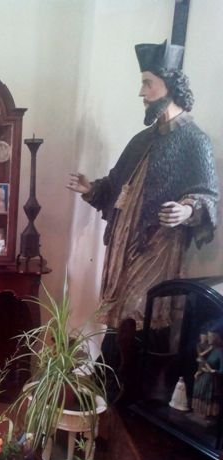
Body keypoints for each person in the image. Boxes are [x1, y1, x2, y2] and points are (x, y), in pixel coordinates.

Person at [67, 40, 219, 333]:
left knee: (142, 317)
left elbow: (208, 196)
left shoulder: (194, 140)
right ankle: (114, 358)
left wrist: (187, 210)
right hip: (122, 245)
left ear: (169, 86)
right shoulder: (141, 140)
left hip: (156, 245)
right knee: (117, 322)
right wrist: (91, 189)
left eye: (148, 84)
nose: (141, 92)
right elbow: (115, 185)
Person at [192, 326, 223, 419]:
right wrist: (200, 371)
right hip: (203, 379)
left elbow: (221, 370)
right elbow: (202, 360)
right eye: (208, 336)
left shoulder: (220, 352)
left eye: (210, 336)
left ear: (216, 337)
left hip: (211, 383)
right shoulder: (211, 349)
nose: (207, 338)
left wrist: (212, 371)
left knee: (207, 399)